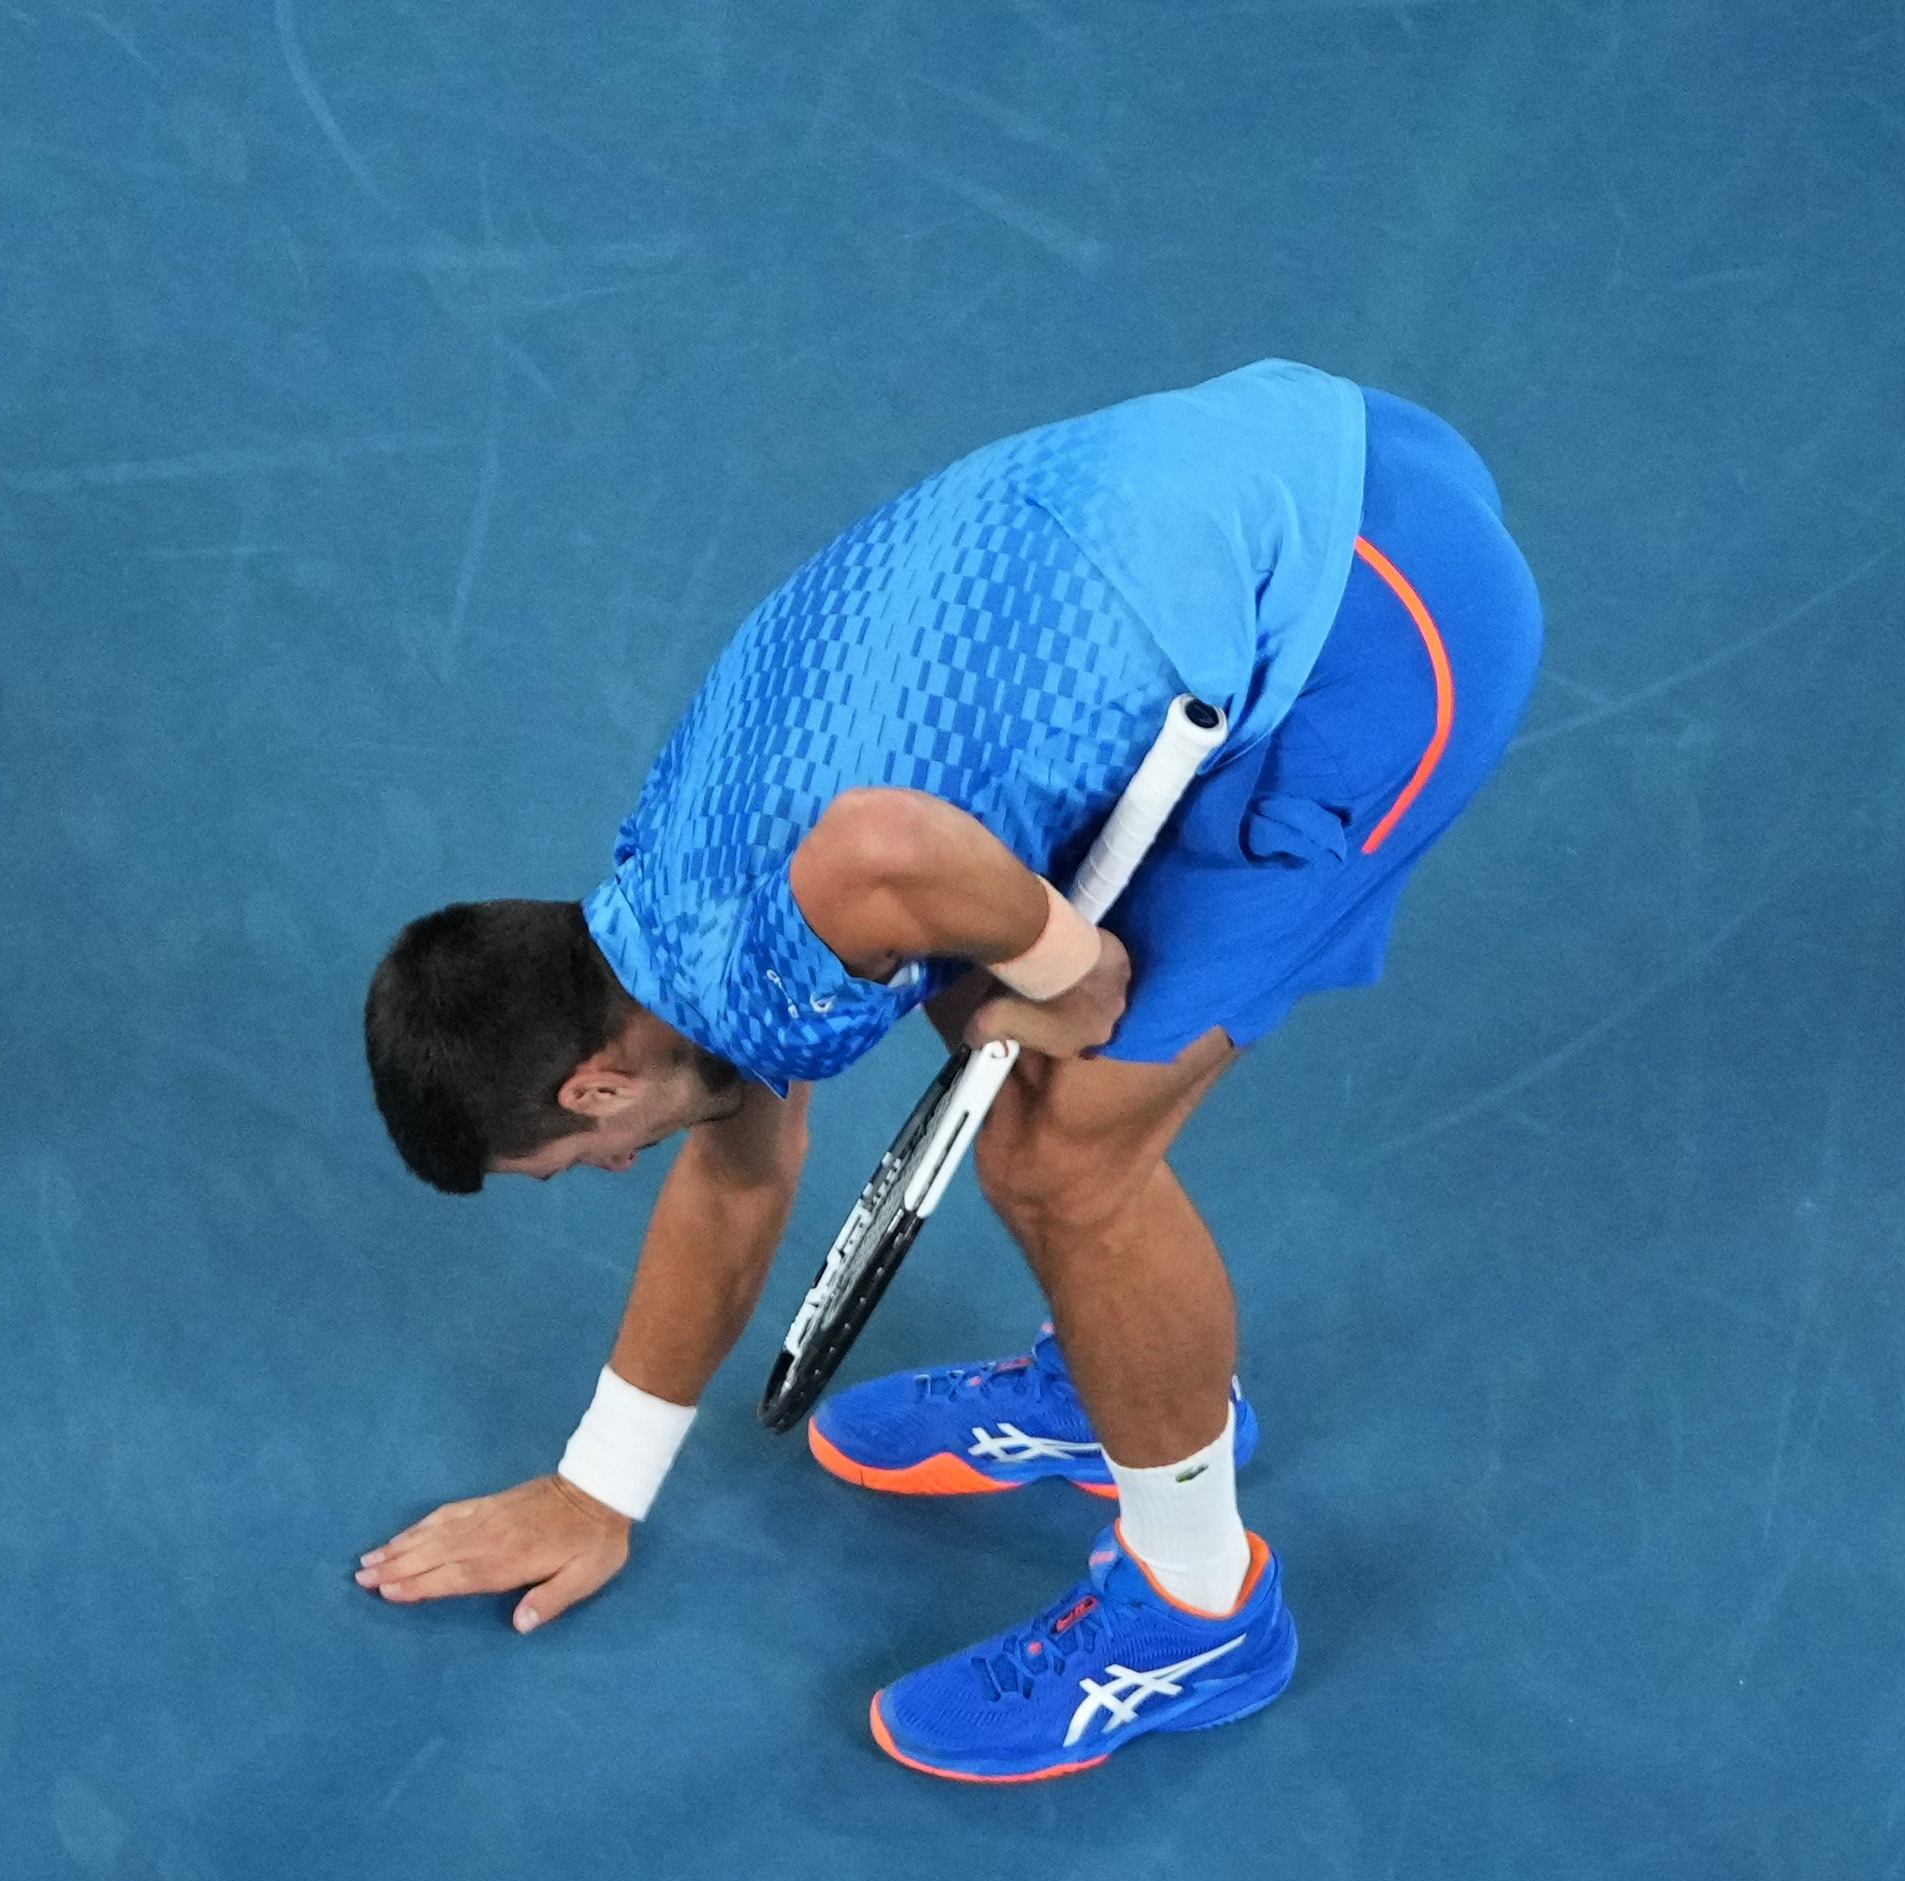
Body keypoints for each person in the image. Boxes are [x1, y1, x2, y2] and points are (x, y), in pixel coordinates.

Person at [355, 360, 1543, 1783]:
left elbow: (886, 851)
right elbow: (742, 1171)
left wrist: (1068, 965)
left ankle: (1196, 1612)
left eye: (576, 1163)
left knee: (1060, 1160)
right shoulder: (659, 902)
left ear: (592, 1090)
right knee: (973, 1003)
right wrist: (595, 1487)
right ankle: (1116, 1387)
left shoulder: (779, 943)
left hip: (1388, 618)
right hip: (1309, 450)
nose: (614, 1172)